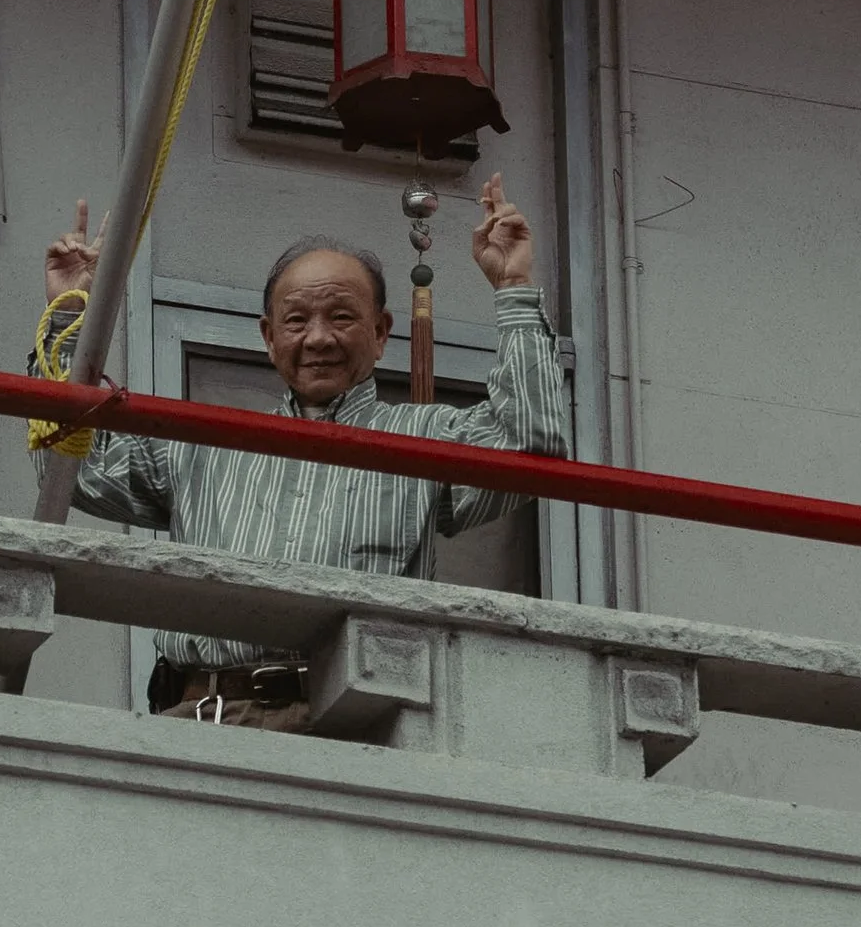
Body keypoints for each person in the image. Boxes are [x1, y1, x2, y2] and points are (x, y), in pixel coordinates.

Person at [41, 176, 571, 731]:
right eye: (296, 320)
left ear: (381, 331)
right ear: (269, 337)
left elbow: (530, 443)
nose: (318, 338)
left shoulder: (421, 438)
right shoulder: (201, 442)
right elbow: (76, 468)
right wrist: (69, 317)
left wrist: (512, 285)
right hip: (206, 719)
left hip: (354, 720)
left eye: (341, 317)